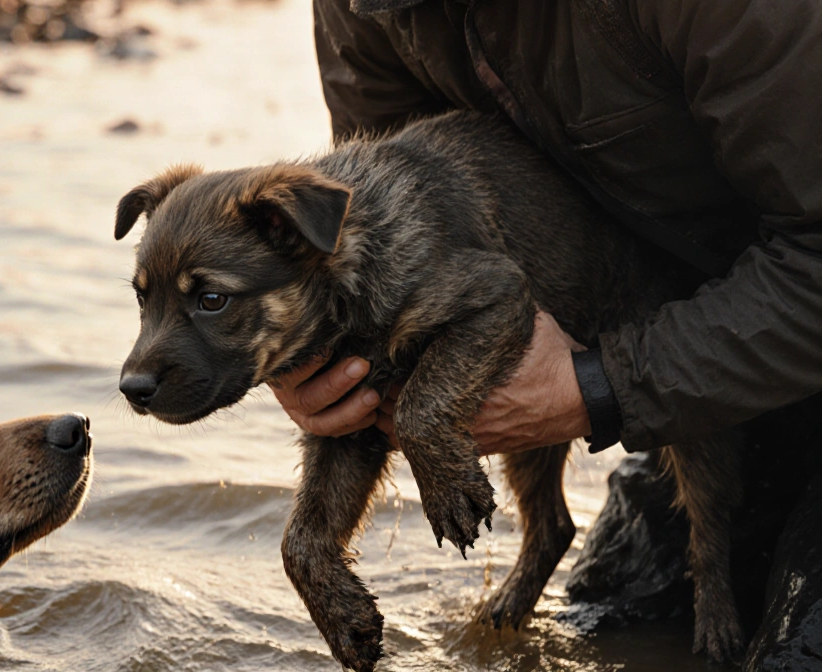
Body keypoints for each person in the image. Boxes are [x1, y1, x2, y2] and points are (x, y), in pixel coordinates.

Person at [271, 0, 822, 668]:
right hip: (703, 346)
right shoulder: (362, 8)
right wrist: (314, 361)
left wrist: (597, 388)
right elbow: (382, 253)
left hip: (759, 311)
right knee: (614, 624)